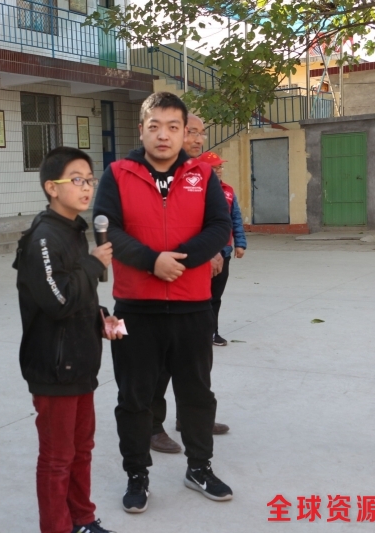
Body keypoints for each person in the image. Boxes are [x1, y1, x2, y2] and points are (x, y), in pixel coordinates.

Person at [94, 92, 233, 512]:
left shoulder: (202, 175)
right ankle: (137, 475)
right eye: (154, 126)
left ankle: (199, 468)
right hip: (135, 308)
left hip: (194, 307)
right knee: (134, 398)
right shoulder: (117, 174)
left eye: (173, 127)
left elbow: (219, 226)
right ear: (141, 130)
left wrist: (180, 261)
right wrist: (152, 262)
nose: (163, 135)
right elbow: (106, 229)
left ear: (183, 131)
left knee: (197, 394)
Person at [13, 147, 122, 533]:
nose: (86, 187)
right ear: (52, 187)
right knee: (57, 458)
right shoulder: (43, 238)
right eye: (77, 179)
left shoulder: (73, 230)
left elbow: (77, 295)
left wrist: (101, 316)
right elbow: (57, 300)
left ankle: (82, 519)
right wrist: (93, 264)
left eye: (90, 179)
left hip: (80, 362)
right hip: (54, 368)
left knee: (81, 451)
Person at [149, 115, 230, 456]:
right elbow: (159, 228)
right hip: (163, 281)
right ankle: (153, 426)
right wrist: (198, 255)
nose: (198, 139)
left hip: (199, 284)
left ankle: (192, 416)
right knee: (161, 361)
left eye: (201, 133)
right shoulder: (157, 175)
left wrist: (215, 249)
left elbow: (218, 222)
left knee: (197, 358)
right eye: (191, 132)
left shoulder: (204, 175)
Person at [196, 151, 247, 347]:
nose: (218, 170)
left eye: (220, 167)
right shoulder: (195, 190)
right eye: (214, 167)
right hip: (202, 253)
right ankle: (196, 333)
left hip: (224, 251)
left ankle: (212, 332)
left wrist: (240, 242)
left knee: (215, 296)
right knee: (199, 295)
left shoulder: (228, 190)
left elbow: (235, 218)